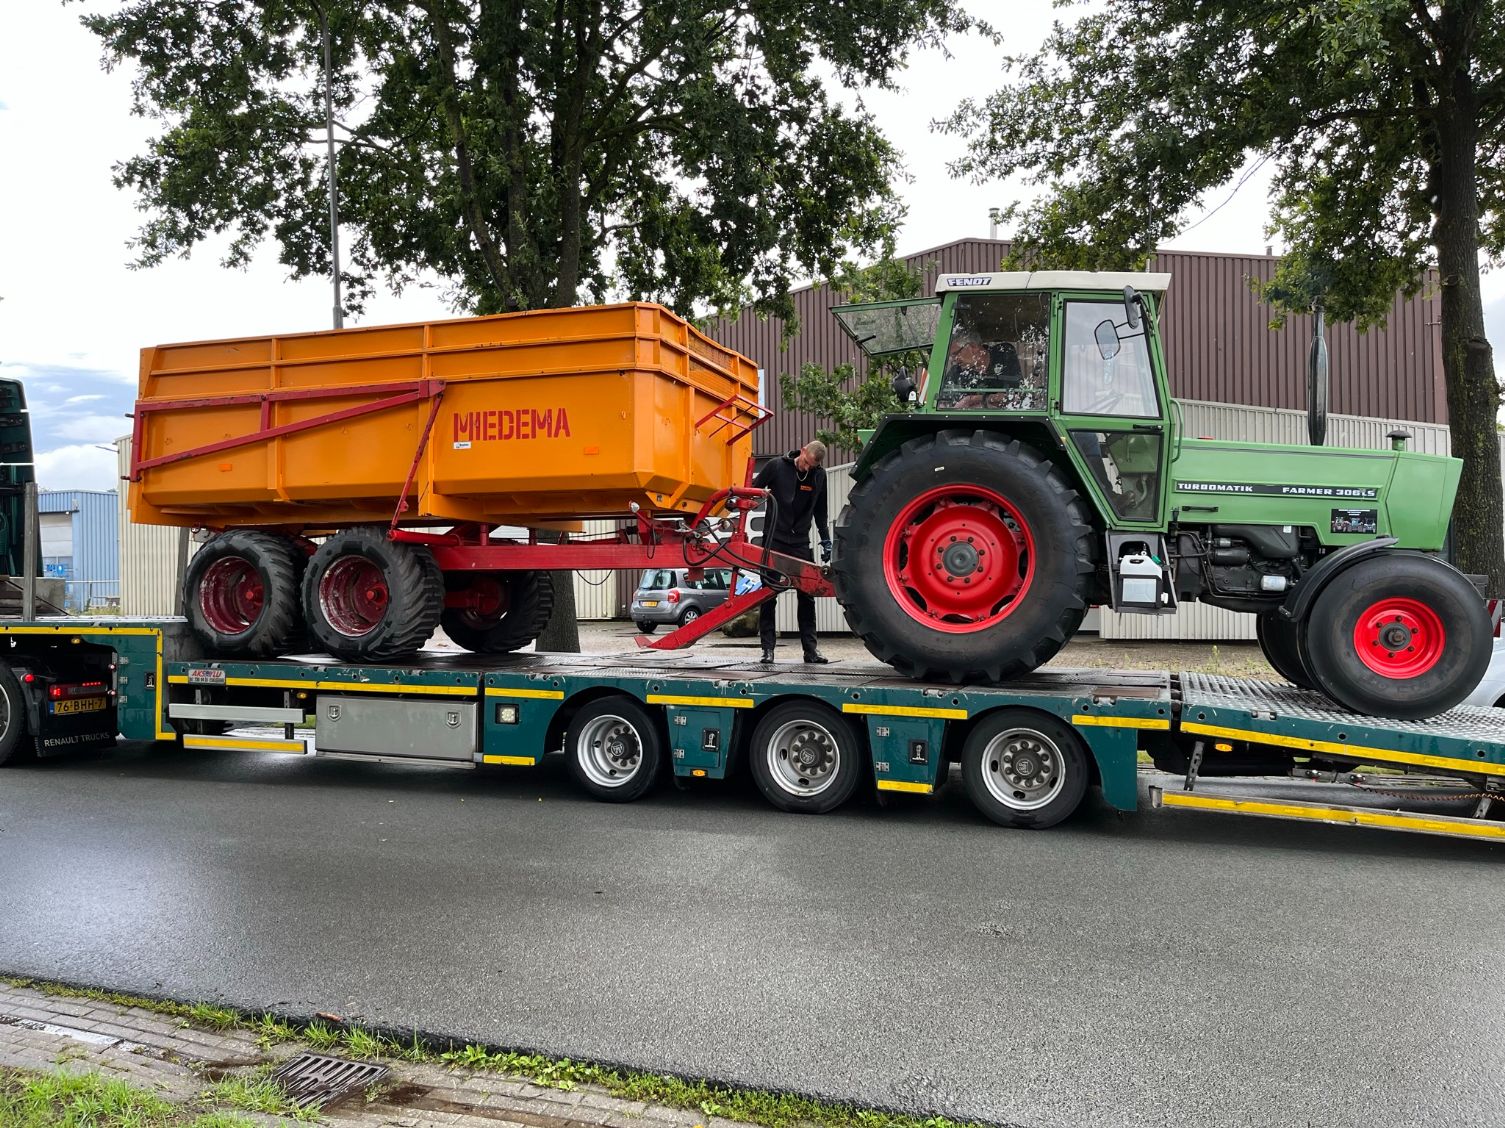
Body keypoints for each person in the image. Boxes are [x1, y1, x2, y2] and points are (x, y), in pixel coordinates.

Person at [753, 440, 831, 664]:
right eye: (807, 463)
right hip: (774, 540)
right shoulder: (777, 466)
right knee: (768, 594)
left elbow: (821, 511)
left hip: (799, 542)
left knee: (806, 595)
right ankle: (767, 650)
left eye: (812, 466)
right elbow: (755, 491)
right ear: (803, 451)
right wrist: (750, 498)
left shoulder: (819, 476)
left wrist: (825, 540)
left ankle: (811, 651)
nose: (808, 468)